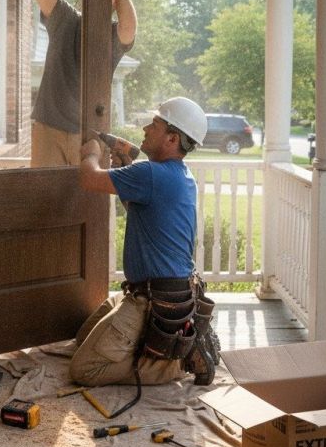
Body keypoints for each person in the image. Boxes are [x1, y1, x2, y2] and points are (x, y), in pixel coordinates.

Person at [69, 97, 220, 392]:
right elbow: (140, 207)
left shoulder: (150, 174)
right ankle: (158, 347)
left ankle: (176, 362)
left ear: (172, 138)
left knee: (85, 368)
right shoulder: (177, 175)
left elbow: (89, 180)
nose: (146, 128)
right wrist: (127, 168)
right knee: (82, 338)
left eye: (155, 124)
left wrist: (91, 154)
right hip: (162, 291)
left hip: (153, 300)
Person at [30, 0, 137, 167]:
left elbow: (129, 27)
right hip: (49, 129)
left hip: (90, 136)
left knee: (90, 202)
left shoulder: (112, 36)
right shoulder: (65, 18)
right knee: (43, 200)